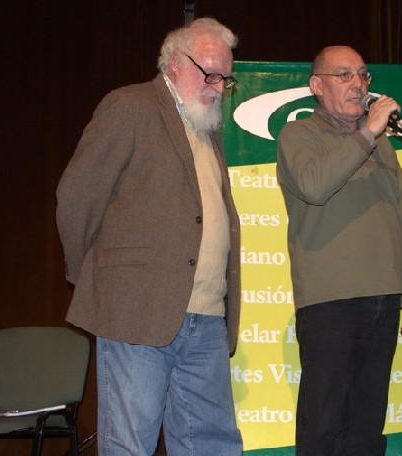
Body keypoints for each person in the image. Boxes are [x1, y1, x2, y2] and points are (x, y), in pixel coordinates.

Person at [56, 17, 242, 455]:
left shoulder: (207, 128)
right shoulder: (130, 106)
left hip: (207, 318)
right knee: (130, 446)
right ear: (174, 62)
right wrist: (99, 279)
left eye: (225, 78)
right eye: (209, 73)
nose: (217, 86)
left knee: (212, 446)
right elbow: (76, 197)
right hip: (136, 311)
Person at [275, 45, 402, 455]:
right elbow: (314, 185)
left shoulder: (382, 146)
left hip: (384, 296)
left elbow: (401, 215)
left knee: (366, 427)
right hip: (331, 300)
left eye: (363, 74)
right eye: (344, 75)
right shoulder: (299, 135)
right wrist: (367, 133)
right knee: (324, 425)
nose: (358, 84)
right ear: (316, 86)